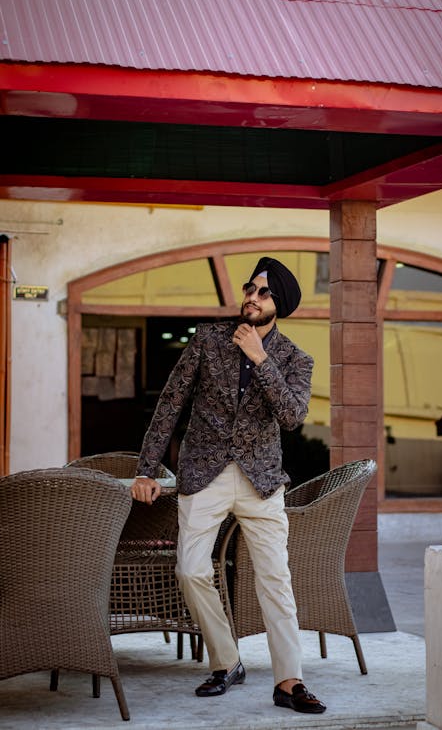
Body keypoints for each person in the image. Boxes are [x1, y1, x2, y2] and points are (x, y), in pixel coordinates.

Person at [131, 257, 326, 714]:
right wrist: (147, 468)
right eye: (249, 289)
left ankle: (288, 682)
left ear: (280, 305)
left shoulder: (296, 359)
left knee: (275, 580)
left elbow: (293, 417)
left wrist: (260, 358)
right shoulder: (207, 339)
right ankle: (227, 660)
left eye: (263, 293)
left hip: (262, 482)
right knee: (190, 570)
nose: (251, 298)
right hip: (204, 474)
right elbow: (170, 404)